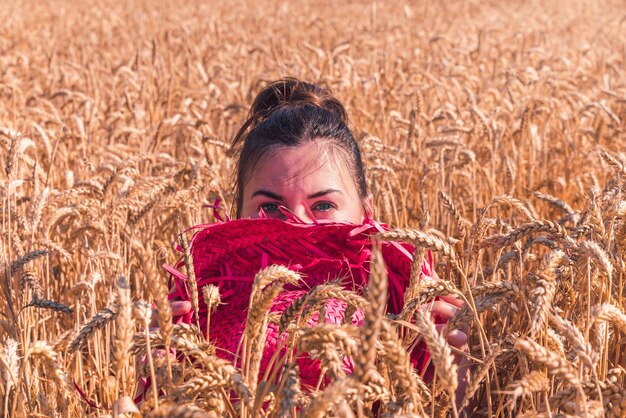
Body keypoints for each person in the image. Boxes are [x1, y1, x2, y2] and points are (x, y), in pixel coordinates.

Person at [165, 77, 468, 399]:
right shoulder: (194, 315)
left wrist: (454, 379)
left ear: (368, 211)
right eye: (270, 207)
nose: (298, 223)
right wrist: (154, 380)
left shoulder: (417, 322)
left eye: (323, 205)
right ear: (237, 214)